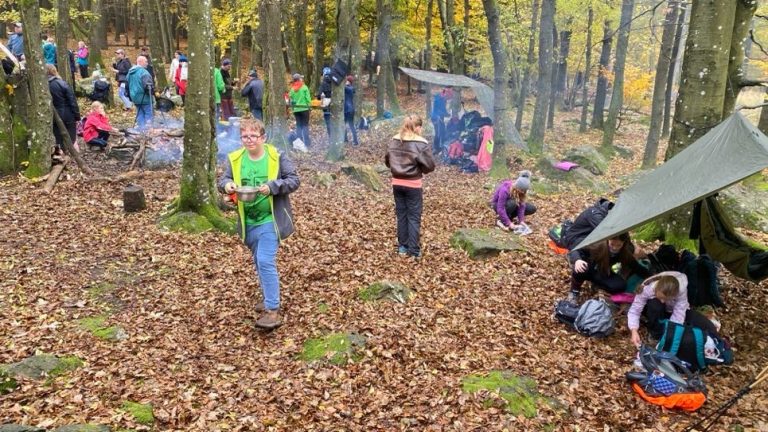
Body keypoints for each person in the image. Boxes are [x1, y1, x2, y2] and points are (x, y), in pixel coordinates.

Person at [218, 118, 300, 329]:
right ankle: (268, 297)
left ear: (263, 137)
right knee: (258, 260)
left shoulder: (276, 156)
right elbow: (223, 180)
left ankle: (272, 310)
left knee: (265, 260)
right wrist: (228, 186)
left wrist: (273, 186)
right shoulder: (236, 159)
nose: (249, 140)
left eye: (253, 136)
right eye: (245, 136)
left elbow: (294, 180)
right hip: (247, 222)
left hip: (270, 220)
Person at [385, 114, 436, 259]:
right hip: (413, 184)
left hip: (397, 183)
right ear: (418, 128)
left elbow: (388, 161)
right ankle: (413, 250)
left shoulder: (394, 141)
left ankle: (403, 247)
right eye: (421, 127)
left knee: (401, 215)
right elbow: (430, 166)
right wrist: (420, 169)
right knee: (413, 216)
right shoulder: (421, 143)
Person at [627, 271, 721, 347]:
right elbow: (635, 310)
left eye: (666, 299)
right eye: (661, 297)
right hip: (655, 310)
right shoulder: (647, 288)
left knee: (708, 326)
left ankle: (717, 342)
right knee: (656, 304)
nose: (663, 301)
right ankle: (655, 334)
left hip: (672, 310)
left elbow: (679, 314)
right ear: (656, 289)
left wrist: (670, 334)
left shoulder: (680, 290)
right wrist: (634, 331)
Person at [567, 232, 651, 303]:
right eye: (612, 244)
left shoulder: (624, 252)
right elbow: (576, 249)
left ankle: (597, 286)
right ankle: (574, 291)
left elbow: (636, 267)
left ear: (623, 243)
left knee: (620, 285)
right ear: (608, 240)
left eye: (618, 245)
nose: (615, 248)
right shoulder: (597, 245)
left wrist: (651, 277)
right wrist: (577, 260)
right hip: (589, 269)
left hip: (603, 273)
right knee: (580, 268)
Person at [46, 64, 80, 155]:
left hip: (54, 115)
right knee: (71, 136)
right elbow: (72, 101)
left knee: (58, 137)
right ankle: (72, 153)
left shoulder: (43, 86)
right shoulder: (62, 83)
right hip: (68, 114)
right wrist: (77, 116)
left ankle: (62, 153)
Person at [490, 170, 536, 234]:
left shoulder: (522, 191)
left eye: (523, 191)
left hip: (511, 205)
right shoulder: (505, 189)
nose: (522, 192)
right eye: (521, 191)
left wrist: (521, 220)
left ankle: (508, 217)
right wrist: (509, 223)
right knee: (513, 203)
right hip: (498, 205)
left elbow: (521, 206)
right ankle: (503, 219)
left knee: (531, 208)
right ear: (517, 187)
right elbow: (500, 208)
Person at [126, 55, 155, 130]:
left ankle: (141, 129)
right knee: (148, 113)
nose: (147, 63)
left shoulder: (130, 72)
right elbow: (148, 87)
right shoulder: (144, 72)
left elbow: (127, 85)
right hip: (144, 97)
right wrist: (153, 93)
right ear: (140, 62)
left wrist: (130, 96)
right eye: (146, 62)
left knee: (140, 113)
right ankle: (148, 130)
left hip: (134, 97)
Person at [288, 73, 311, 148]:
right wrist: (309, 106)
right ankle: (307, 143)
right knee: (305, 126)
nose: (302, 79)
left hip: (296, 110)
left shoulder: (292, 89)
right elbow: (308, 99)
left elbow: (290, 99)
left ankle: (299, 142)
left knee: (298, 126)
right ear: (299, 79)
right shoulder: (304, 87)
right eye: (301, 78)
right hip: (304, 109)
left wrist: (293, 108)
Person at [430, 87, 452, 154]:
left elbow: (443, 109)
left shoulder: (444, 99)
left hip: (441, 117)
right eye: (447, 96)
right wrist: (441, 115)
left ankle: (441, 145)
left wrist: (447, 114)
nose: (447, 98)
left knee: (443, 131)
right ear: (444, 93)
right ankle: (436, 148)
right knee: (438, 133)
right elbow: (436, 110)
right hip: (435, 117)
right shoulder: (438, 98)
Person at [317, 66, 333, 138]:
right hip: (334, 104)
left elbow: (319, 95)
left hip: (326, 105)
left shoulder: (323, 83)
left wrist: (319, 97)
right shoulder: (334, 82)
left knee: (328, 120)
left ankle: (330, 136)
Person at [344, 75, 359, 146]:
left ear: (349, 81)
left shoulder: (349, 88)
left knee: (350, 125)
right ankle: (345, 139)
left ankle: (355, 141)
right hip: (349, 109)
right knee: (345, 125)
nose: (345, 82)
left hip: (348, 110)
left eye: (347, 80)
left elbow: (346, 88)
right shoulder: (349, 88)